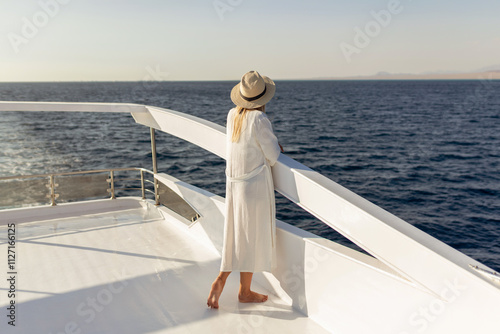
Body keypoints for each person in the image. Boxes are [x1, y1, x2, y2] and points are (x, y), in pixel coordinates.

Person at [207, 71, 282, 309]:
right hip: (254, 188)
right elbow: (272, 156)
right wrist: (277, 144)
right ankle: (244, 291)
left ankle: (223, 280)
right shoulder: (260, 120)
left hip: (234, 185)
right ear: (262, 99)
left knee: (235, 235)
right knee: (250, 238)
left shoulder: (233, 115)